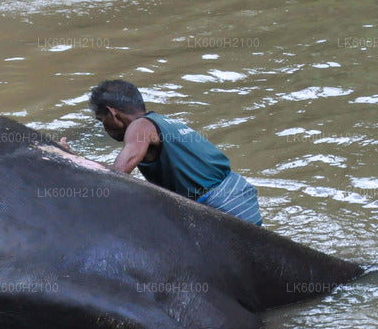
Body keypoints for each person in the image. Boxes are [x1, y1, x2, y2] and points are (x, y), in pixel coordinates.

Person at [84, 79, 262, 225]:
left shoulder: (139, 127)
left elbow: (117, 173)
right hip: (240, 196)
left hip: (221, 204)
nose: (104, 127)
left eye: (101, 120)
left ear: (112, 113)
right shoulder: (161, 122)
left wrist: (75, 160)